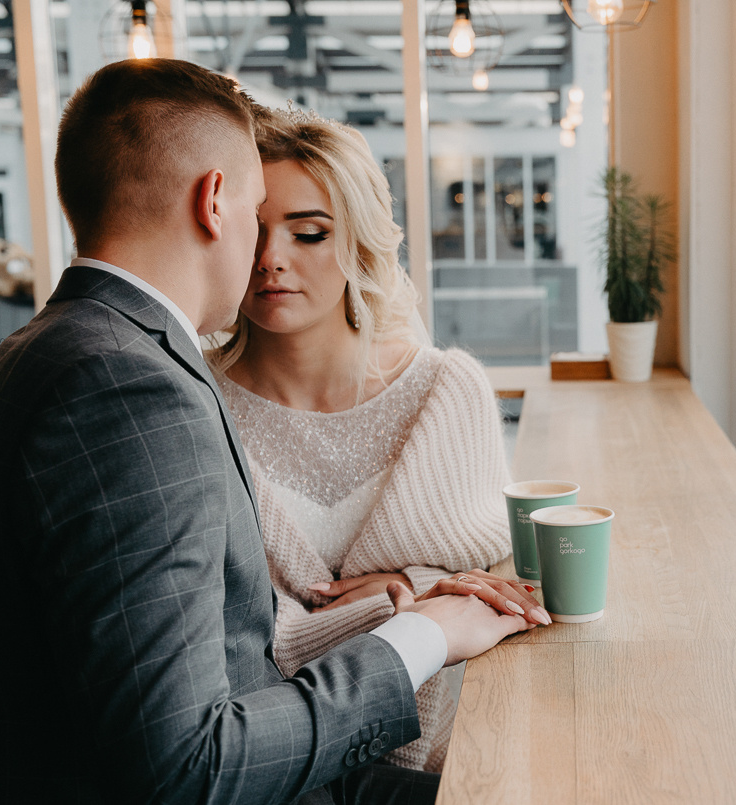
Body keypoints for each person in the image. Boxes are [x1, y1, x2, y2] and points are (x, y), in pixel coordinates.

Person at [0, 58, 542, 804]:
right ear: (216, 200)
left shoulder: (42, 350)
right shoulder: (131, 389)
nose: (269, 257)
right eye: (259, 210)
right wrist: (426, 633)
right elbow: (189, 768)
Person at [206, 107, 543, 773]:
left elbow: (492, 581)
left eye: (308, 232)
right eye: (253, 231)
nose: (271, 260)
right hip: (271, 764)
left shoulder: (447, 392)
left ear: (358, 240)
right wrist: (410, 607)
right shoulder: (196, 405)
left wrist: (414, 583)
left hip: (451, 756)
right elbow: (225, 637)